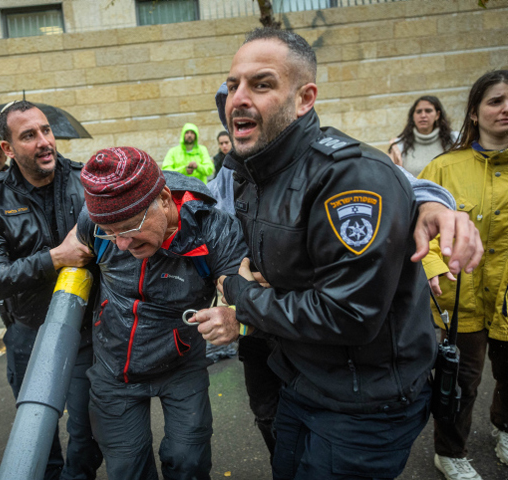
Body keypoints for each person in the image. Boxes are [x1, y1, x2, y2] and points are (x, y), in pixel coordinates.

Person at [191, 28, 484, 480]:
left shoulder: (349, 176)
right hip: (301, 382)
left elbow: (347, 314)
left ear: (305, 97)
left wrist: (239, 295)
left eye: (261, 84)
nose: (238, 98)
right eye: (233, 86)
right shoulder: (253, 174)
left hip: (363, 404)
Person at [75, 146, 248, 480]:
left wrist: (233, 314)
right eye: (109, 232)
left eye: (128, 227)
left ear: (166, 199)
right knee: (126, 470)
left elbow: (238, 285)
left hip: (180, 365)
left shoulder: (212, 228)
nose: (120, 244)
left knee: (189, 463)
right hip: (114, 368)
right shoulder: (95, 223)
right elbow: (81, 246)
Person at [0, 101, 102, 480]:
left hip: (86, 334)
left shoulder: (86, 182)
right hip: (28, 332)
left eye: (46, 130)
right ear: (8, 148)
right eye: (29, 136)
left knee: (88, 435)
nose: (44, 142)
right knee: (37, 437)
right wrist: (55, 257)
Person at [419, 70, 508, 480]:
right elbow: (416, 225)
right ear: (474, 112)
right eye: (495, 101)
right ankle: (449, 451)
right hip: (460, 297)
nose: (505, 109)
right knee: (460, 381)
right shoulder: (444, 167)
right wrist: (433, 266)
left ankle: (504, 429)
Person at [389, 95, 458, 176]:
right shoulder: (399, 147)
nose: (423, 115)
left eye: (428, 111)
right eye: (419, 111)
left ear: (437, 115)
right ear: (413, 116)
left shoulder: (455, 141)